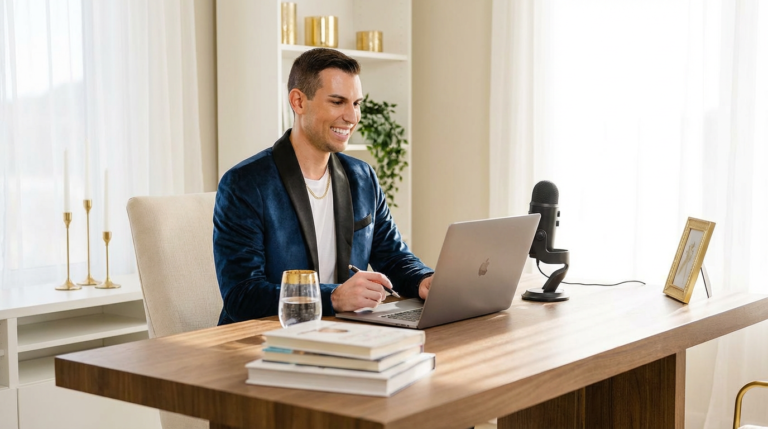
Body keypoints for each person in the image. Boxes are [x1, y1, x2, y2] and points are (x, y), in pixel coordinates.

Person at [213, 48, 434, 325]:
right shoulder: (245, 184)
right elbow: (242, 295)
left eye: (356, 104)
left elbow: (392, 256)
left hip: (341, 333)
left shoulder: (362, 177)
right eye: (338, 102)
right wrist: (333, 297)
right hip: (264, 341)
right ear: (298, 101)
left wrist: (424, 280)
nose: (352, 117)